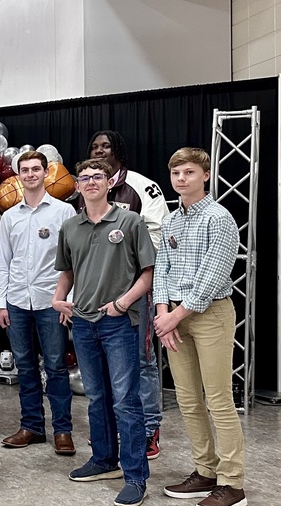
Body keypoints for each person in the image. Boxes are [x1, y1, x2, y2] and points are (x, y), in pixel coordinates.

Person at [53, 158, 153, 506]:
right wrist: (58, 298)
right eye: (85, 178)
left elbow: (148, 273)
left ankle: (135, 476)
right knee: (96, 398)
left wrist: (122, 304)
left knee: (125, 400)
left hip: (118, 323)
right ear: (77, 185)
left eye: (98, 177)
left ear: (110, 183)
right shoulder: (71, 227)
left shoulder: (130, 221)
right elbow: (67, 271)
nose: (91, 182)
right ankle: (104, 459)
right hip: (82, 322)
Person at [153, 147, 247, 506]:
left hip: (209, 316)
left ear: (205, 175)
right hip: (174, 318)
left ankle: (232, 483)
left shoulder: (219, 218)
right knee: (188, 401)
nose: (181, 179)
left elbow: (212, 276)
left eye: (189, 172)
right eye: (176, 173)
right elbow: (162, 267)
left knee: (219, 400)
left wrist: (173, 317)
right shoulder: (173, 220)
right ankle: (206, 471)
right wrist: (163, 312)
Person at [88, 131, 169, 459]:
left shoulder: (140, 185)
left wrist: (123, 259)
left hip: (135, 288)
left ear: (118, 150)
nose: (100, 151)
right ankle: (111, 430)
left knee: (142, 360)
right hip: (95, 291)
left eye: (106, 146)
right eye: (95, 147)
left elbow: (158, 233)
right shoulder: (87, 187)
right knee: (102, 363)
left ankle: (149, 429)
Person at [0, 151, 76, 456]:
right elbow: (3, 263)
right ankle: (31, 426)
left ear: (46, 173)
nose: (30, 174)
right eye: (24, 170)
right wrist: (2, 303)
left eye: (35, 169)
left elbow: (71, 262)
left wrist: (67, 301)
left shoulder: (63, 212)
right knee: (25, 366)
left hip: (50, 302)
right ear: (18, 176)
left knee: (55, 367)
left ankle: (63, 431)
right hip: (16, 301)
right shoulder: (10, 217)